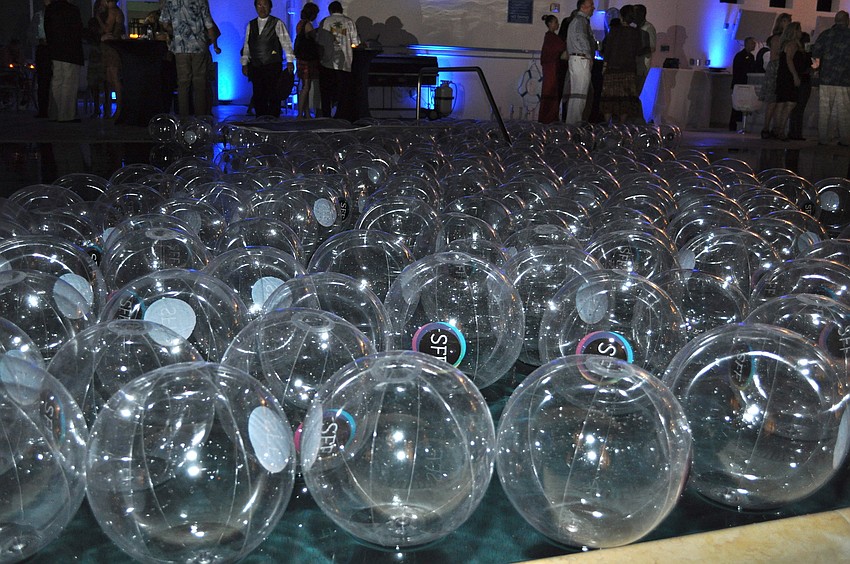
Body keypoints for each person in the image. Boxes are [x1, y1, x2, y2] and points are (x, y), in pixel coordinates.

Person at [160, 0, 216, 117]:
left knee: (183, 84)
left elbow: (164, 23)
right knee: (199, 84)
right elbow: (208, 22)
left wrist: (176, 30)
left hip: (180, 47)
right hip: (198, 46)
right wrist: (215, 44)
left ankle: (184, 120)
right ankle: (200, 120)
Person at [240, 0, 294, 117]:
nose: (262, 8)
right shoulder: (251, 25)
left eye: (265, 5)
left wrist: (290, 61)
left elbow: (286, 42)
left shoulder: (277, 23)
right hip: (256, 65)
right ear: (255, 7)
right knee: (258, 94)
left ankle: (273, 120)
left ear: (270, 7)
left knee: (274, 94)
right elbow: (247, 45)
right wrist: (244, 63)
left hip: (273, 64)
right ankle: (260, 120)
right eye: (259, 5)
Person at [811, 10, 850, 146]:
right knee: (843, 111)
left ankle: (823, 138)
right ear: (847, 20)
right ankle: (844, 138)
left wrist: (816, 69)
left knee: (824, 110)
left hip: (826, 79)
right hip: (845, 80)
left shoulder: (826, 34)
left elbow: (815, 53)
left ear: (835, 20)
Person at [598, 13, 646, 123]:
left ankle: (607, 124)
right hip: (628, 68)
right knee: (625, 98)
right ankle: (621, 125)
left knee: (609, 97)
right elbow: (639, 50)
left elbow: (607, 49)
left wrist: (605, 65)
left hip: (612, 68)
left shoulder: (614, 31)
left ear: (622, 18)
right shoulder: (636, 32)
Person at [319, 1, 360, 120]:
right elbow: (356, 42)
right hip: (345, 63)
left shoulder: (325, 21)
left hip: (327, 62)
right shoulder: (349, 22)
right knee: (343, 94)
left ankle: (326, 117)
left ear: (330, 10)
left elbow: (320, 42)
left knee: (327, 94)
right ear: (341, 10)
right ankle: (342, 117)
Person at [44, 0, 84, 122]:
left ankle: (55, 113)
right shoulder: (72, 10)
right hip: (71, 51)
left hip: (55, 51)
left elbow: (47, 29)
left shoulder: (50, 9)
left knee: (57, 81)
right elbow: (78, 30)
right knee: (69, 83)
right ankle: (66, 115)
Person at [564, 0, 596, 125]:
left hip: (576, 59)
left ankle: (571, 123)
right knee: (580, 95)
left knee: (577, 94)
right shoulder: (581, 21)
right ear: (583, 6)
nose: (593, 7)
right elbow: (581, 38)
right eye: (591, 5)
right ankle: (574, 125)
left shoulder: (578, 21)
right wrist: (588, 55)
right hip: (581, 59)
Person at [771, 22, 802, 141]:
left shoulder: (785, 44)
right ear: (795, 31)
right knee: (789, 103)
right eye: (799, 30)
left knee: (782, 103)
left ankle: (777, 129)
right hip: (788, 76)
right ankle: (780, 130)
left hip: (783, 75)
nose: (801, 33)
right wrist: (795, 75)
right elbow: (789, 59)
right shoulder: (792, 44)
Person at [99, 0, 126, 119]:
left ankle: (118, 109)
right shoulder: (119, 12)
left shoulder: (112, 11)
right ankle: (115, 108)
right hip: (114, 46)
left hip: (111, 47)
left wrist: (99, 19)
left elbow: (107, 29)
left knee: (113, 78)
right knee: (112, 79)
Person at [538, 14, 565, 124]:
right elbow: (561, 47)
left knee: (550, 91)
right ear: (550, 24)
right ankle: (548, 117)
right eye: (555, 22)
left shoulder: (550, 37)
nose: (557, 24)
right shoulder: (551, 37)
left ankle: (548, 116)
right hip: (551, 68)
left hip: (551, 67)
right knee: (550, 91)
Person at [296, 2, 321, 119]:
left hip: (301, 58)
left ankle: (305, 113)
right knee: (307, 87)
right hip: (308, 59)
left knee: (304, 86)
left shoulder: (300, 24)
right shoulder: (308, 25)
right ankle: (300, 114)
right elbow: (315, 39)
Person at [787, 32, 813, 140]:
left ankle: (793, 131)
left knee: (795, 108)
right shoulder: (804, 53)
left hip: (798, 80)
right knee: (799, 108)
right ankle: (796, 132)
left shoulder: (797, 52)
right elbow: (808, 66)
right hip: (804, 81)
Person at [729, 36, 757, 131]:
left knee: (742, 105)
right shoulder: (740, 56)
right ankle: (733, 125)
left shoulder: (751, 57)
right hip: (740, 84)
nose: (754, 45)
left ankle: (739, 124)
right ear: (746, 44)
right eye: (752, 43)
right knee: (737, 105)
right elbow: (741, 70)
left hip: (744, 83)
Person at [31, 0, 52, 118]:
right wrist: (39, 40)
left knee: (53, 80)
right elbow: (31, 34)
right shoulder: (38, 16)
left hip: (53, 49)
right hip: (43, 50)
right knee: (43, 81)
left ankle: (52, 108)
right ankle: (43, 110)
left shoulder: (55, 16)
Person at [758, 33, 781, 139]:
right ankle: (767, 127)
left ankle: (771, 128)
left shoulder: (775, 40)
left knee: (775, 103)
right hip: (776, 73)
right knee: (773, 102)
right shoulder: (777, 39)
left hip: (776, 72)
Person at [633, 4, 655, 93]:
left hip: (642, 67)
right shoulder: (634, 27)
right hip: (634, 66)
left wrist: (636, 52)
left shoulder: (649, 28)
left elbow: (652, 47)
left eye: (635, 13)